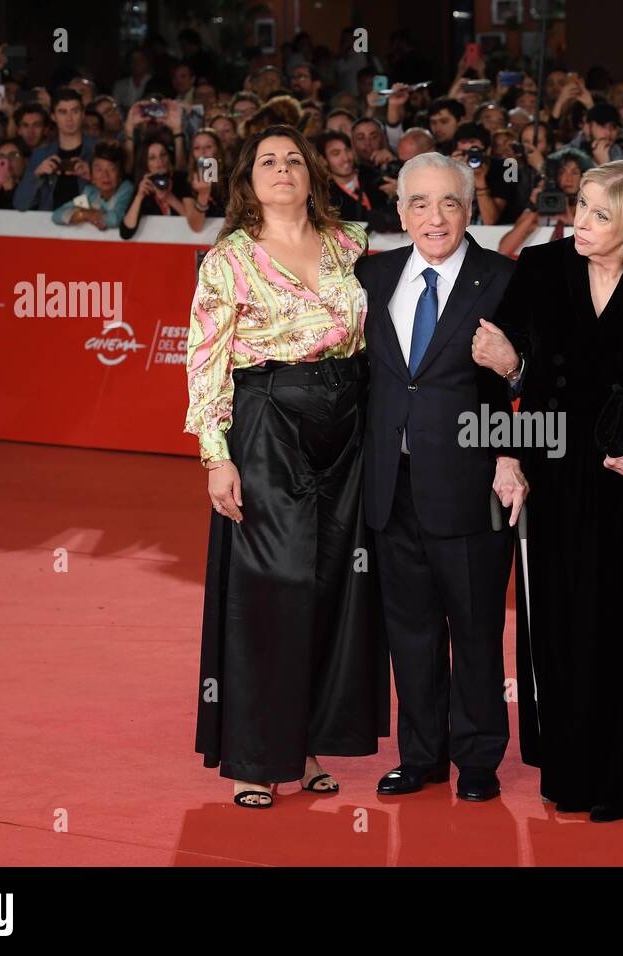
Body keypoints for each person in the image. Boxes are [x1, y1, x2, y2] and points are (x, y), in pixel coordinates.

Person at [479, 160, 623, 822]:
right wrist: (504, 457)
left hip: (620, 473)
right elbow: (491, 364)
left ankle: (621, 770)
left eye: (601, 213)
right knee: (555, 613)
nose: (581, 221)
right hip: (546, 467)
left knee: (618, 616)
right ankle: (567, 766)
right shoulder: (542, 271)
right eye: (581, 206)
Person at [187, 124, 390, 808]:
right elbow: (205, 362)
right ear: (246, 180)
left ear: (313, 176)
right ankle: (254, 755)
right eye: (267, 161)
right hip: (267, 422)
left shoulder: (353, 245)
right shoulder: (229, 260)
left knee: (334, 582)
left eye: (294, 160)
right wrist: (217, 457)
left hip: (349, 427)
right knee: (272, 582)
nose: (282, 170)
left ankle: (303, 745)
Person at [353, 152, 528, 803]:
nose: (434, 216)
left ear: (470, 207)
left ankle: (478, 757)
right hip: (390, 487)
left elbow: (535, 381)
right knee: (411, 630)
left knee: (477, 629)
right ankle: (421, 754)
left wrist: (513, 376)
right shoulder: (372, 277)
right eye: (419, 203)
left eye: (449, 202)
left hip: (473, 488)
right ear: (401, 213)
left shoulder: (506, 279)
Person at [14, 88, 95, 212]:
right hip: (49, 228)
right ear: (53, 116)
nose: (69, 118)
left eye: (75, 111)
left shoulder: (97, 150)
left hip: (89, 227)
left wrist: (94, 177)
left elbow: (115, 199)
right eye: (63, 112)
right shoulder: (40, 155)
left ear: (83, 114)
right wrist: (37, 175)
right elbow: (20, 204)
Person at [50, 142, 133, 229]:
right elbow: (57, 215)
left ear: (120, 174)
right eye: (98, 169)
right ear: (92, 176)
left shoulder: (126, 189)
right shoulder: (90, 193)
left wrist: (90, 212)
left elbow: (114, 219)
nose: (105, 175)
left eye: (112, 169)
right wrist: (85, 214)